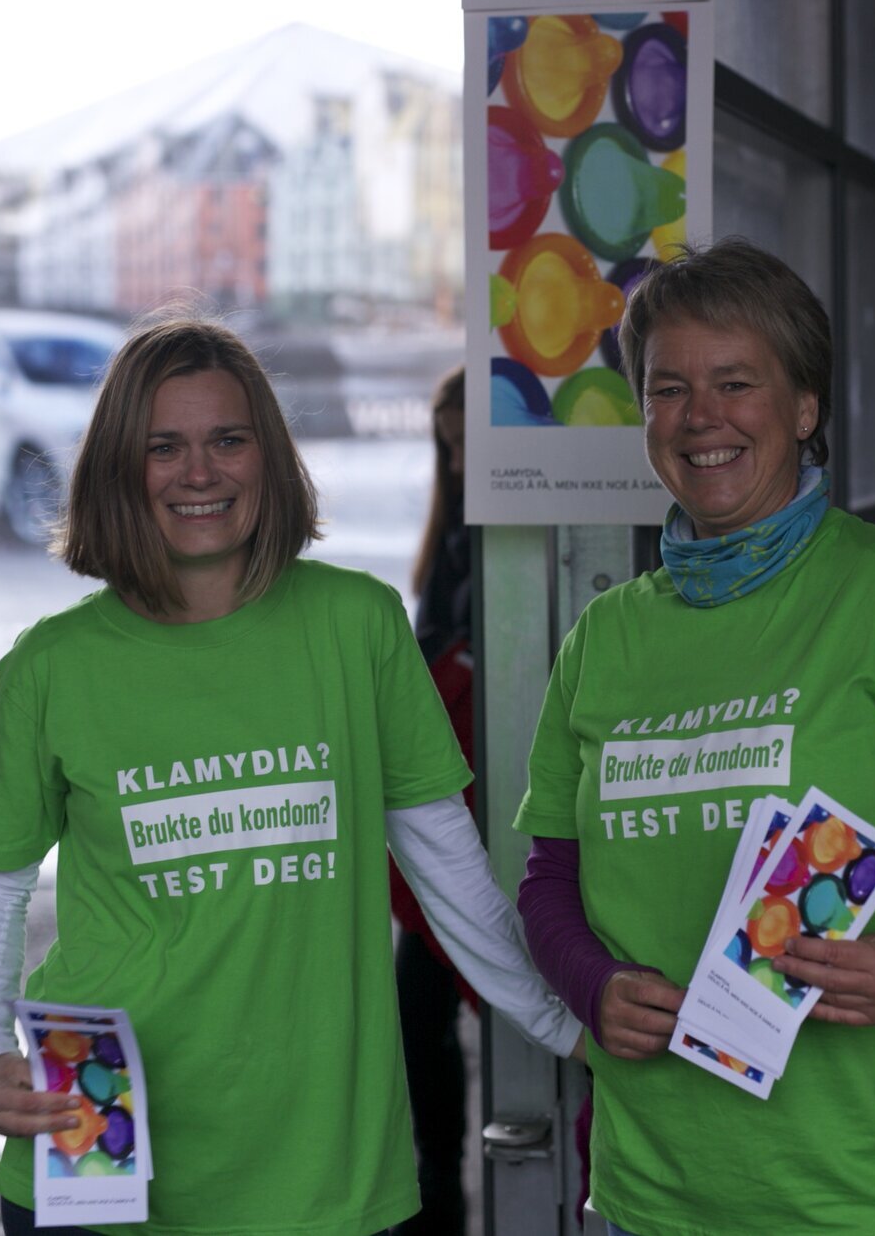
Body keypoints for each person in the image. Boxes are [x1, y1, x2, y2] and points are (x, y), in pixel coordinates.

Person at [0, 320, 580, 1235]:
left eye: (228, 439)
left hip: (318, 1176)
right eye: (163, 446)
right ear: (120, 466)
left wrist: (569, 1025)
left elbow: (449, 873)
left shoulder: (357, 626)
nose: (199, 472)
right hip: (97, 1153)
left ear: (269, 455)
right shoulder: (51, 665)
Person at [514, 238, 875, 1235]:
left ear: (805, 408)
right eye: (669, 388)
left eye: (736, 382)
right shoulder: (603, 638)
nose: (701, 416)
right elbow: (548, 875)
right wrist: (590, 982)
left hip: (869, 1192)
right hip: (657, 1191)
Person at [388, 364, 473, 1234]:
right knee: (418, 1002)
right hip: (447, 797)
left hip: (484, 797)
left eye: (468, 443)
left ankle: (439, 1187)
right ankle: (436, 1183)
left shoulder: (502, 543)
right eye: (447, 448)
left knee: (424, 994)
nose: (459, 462)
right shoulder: (451, 539)